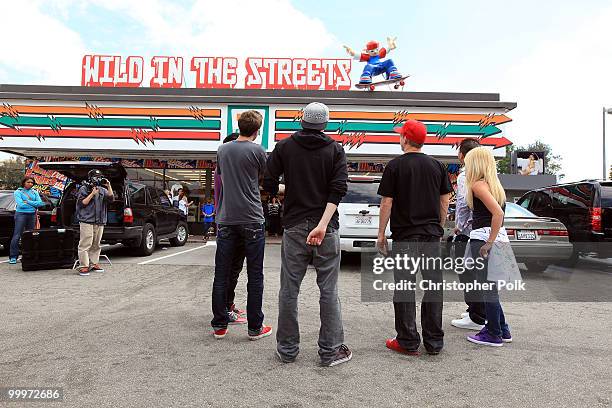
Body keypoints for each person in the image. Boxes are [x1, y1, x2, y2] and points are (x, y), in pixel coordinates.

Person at [264, 102, 352, 367]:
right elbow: (338, 189)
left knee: (289, 289)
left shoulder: (284, 147)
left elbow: (268, 183)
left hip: (294, 226)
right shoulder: (335, 150)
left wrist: (289, 190)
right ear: (325, 124)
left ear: (302, 121)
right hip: (327, 227)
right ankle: (330, 352)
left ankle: (287, 350)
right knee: (329, 290)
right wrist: (323, 225)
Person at [377, 120, 452, 356]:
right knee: (433, 286)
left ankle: (408, 341)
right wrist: (438, 227)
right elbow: (445, 201)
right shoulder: (438, 166)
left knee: (405, 287)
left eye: (400, 136)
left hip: (405, 237)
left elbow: (386, 202)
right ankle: (434, 342)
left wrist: (381, 234)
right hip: (430, 237)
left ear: (405, 139)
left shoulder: (395, 166)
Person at [211, 111, 271, 340]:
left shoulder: (222, 150)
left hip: (226, 218)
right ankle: (255, 327)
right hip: (252, 218)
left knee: (221, 274)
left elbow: (223, 176)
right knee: (255, 275)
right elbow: (262, 179)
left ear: (239, 126)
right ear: (258, 129)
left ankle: (219, 324)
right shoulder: (258, 151)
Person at [464, 147, 516, 346]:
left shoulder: (478, 185)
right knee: (491, 287)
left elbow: (498, 214)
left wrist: (488, 242)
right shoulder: (495, 186)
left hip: (485, 238)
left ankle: (493, 333)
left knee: (487, 288)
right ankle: (502, 329)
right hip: (497, 238)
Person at [450, 138, 486, 331]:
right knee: (477, 273)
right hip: (480, 231)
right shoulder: (484, 174)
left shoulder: (466, 176)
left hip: (468, 232)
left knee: (467, 273)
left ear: (463, 155)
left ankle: (476, 316)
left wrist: (459, 225)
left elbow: (464, 203)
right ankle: (476, 309)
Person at [214, 132, 247, 325]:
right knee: (231, 271)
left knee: (230, 270)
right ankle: (225, 310)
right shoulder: (226, 172)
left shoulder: (221, 169)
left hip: (224, 223)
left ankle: (228, 305)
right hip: (232, 225)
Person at [75, 169, 114, 276]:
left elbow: (111, 199)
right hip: (87, 220)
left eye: (100, 177)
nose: (98, 179)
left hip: (100, 220)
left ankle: (94, 263)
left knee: (96, 244)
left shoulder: (102, 189)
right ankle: (84, 266)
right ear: (90, 178)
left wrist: (108, 185)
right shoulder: (84, 188)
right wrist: (92, 194)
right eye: (96, 177)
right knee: (85, 243)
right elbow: (82, 203)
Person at [9, 177, 45, 264]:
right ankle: (13, 256)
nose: (30, 184)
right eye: (28, 182)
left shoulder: (34, 192)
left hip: (32, 214)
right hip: (21, 214)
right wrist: (33, 203)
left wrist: (27, 201)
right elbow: (21, 204)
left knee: (30, 235)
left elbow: (40, 203)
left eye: (32, 183)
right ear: (24, 182)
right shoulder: (18, 192)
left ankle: (29, 254)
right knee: (17, 235)